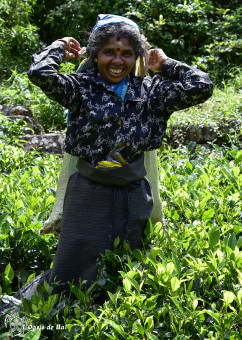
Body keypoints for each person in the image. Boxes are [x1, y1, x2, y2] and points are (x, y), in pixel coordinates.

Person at [3, 14, 214, 306]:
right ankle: (50, 321)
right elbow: (40, 73)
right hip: (88, 193)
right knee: (71, 268)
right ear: (95, 55)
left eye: (127, 53)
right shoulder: (80, 88)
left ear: (137, 57)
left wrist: (164, 63)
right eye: (109, 52)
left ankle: (110, 321)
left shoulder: (152, 92)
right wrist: (58, 48)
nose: (118, 61)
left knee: (123, 267)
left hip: (133, 195)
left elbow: (201, 85)